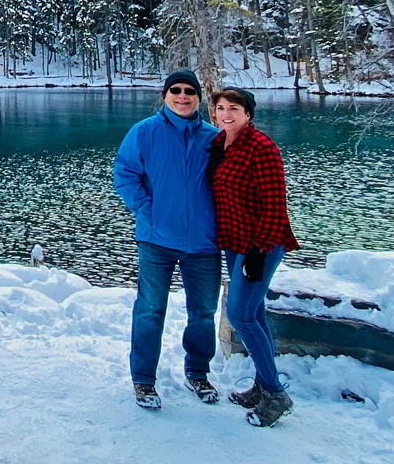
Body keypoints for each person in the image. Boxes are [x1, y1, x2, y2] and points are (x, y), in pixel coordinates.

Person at [113, 69, 222, 410]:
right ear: (165, 95)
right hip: (156, 240)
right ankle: (143, 380)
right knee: (149, 309)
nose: (182, 96)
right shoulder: (144, 132)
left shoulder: (213, 137)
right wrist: (150, 214)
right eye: (175, 90)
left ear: (199, 98)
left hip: (204, 243)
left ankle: (198, 372)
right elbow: (125, 175)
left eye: (190, 90)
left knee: (203, 312)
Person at [207, 87, 301, 428]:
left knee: (241, 316)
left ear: (248, 113)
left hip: (260, 245)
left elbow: (275, 206)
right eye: (220, 108)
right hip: (234, 242)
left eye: (234, 108)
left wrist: (258, 253)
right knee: (255, 314)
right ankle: (264, 383)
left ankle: (276, 394)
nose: (226, 114)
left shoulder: (262, 148)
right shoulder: (220, 145)